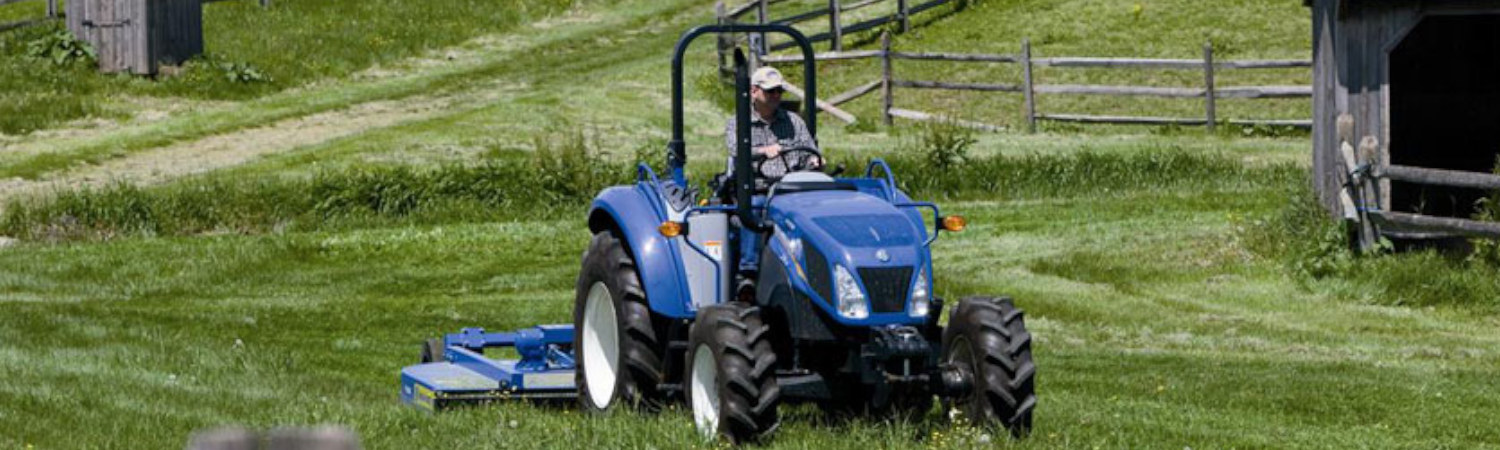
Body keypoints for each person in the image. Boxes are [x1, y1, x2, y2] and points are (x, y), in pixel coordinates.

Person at [723, 66, 820, 180]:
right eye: (770, 91)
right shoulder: (738, 123)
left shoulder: (794, 121)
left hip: (792, 185)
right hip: (757, 188)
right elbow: (736, 150)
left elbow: (808, 151)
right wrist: (763, 151)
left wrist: (814, 160)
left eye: (779, 90)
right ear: (754, 91)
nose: (776, 95)